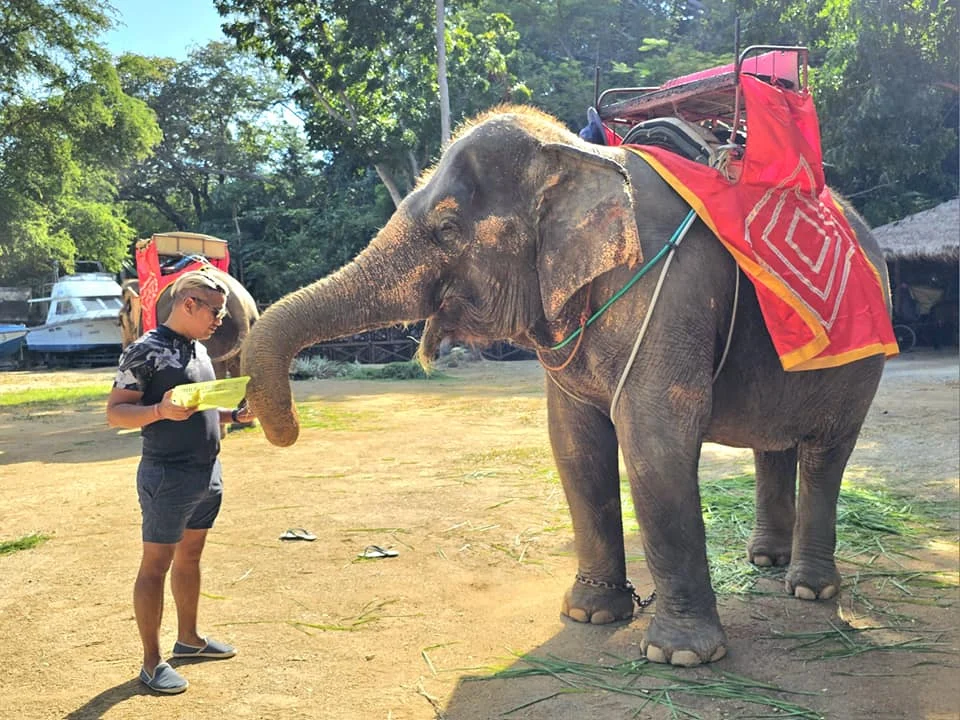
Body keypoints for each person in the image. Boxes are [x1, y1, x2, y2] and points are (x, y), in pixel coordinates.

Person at [106, 270, 255, 694]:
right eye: (216, 312)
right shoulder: (145, 350)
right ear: (189, 304)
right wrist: (156, 412)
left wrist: (233, 416)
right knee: (155, 566)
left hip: (206, 472)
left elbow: (198, 409)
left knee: (190, 558)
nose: (220, 321)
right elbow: (116, 412)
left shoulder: (197, 350)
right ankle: (151, 664)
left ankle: (188, 640)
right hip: (167, 474)